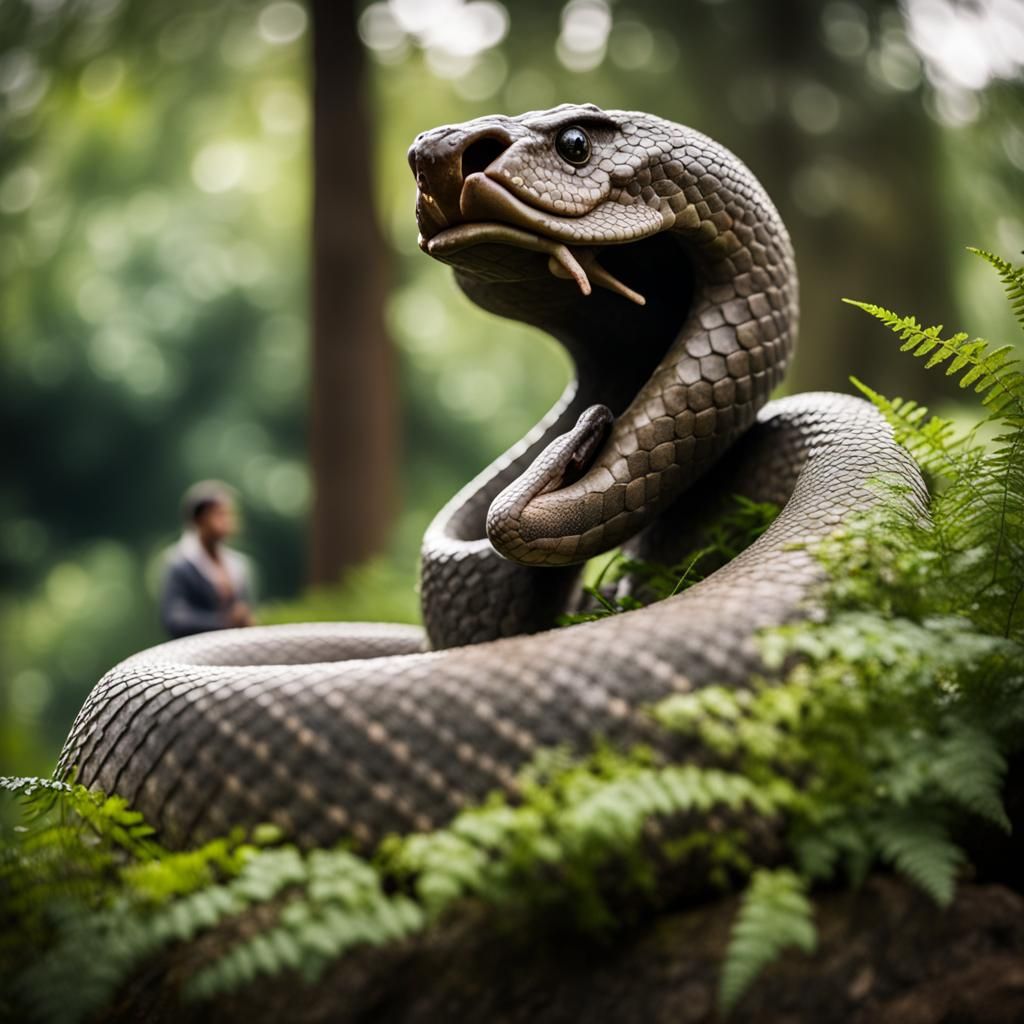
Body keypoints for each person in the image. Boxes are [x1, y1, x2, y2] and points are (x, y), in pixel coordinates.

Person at [160, 481, 255, 639]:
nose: (228, 521)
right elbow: (175, 620)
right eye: (219, 514)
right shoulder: (179, 563)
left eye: (230, 514)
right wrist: (224, 622)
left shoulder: (237, 564)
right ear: (199, 519)